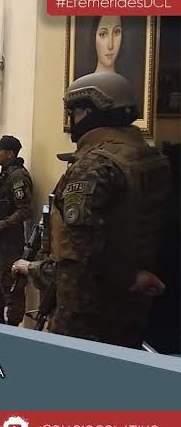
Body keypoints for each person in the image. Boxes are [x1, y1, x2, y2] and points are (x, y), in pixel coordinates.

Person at [12, 72, 171, 349]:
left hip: (87, 307)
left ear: (89, 111)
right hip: (134, 302)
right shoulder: (151, 157)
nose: (72, 121)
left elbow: (80, 248)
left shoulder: (94, 164)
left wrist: (36, 269)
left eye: (74, 113)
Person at [0, 135, 33, 325]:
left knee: (11, 288)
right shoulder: (4, 175)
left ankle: (12, 327)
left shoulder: (18, 176)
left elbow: (25, 210)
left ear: (10, 153)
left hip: (8, 241)